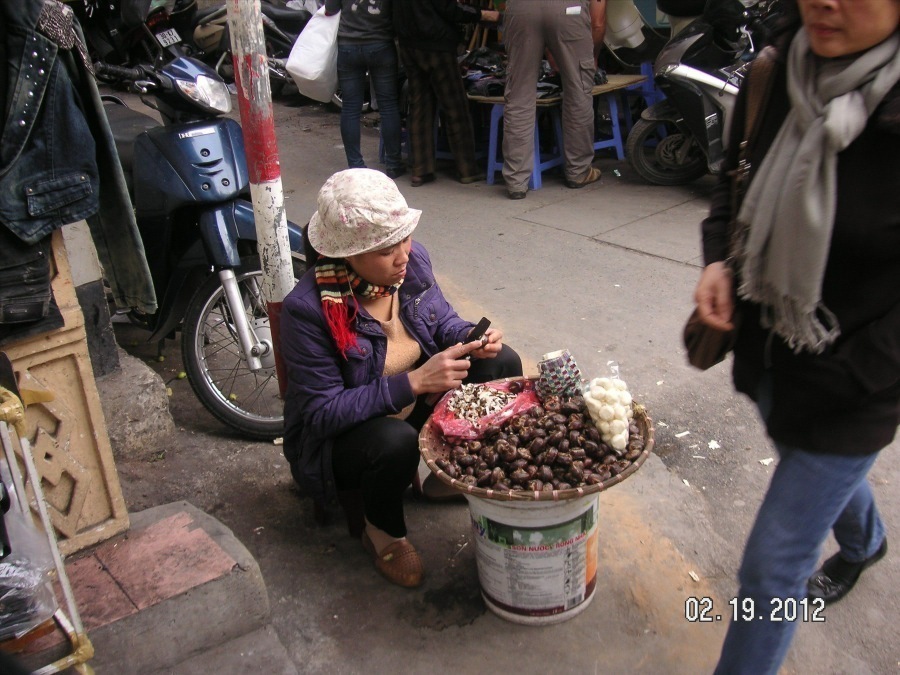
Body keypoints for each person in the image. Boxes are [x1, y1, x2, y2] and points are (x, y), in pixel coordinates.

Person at [692, 0, 900, 672]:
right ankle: (865, 541)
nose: (826, 3)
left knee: (772, 567)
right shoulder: (778, 72)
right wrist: (720, 260)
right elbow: (732, 183)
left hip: (860, 382)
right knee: (800, 450)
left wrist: (854, 374)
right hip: (768, 352)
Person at [280, 169, 523, 588]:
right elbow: (321, 413)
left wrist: (471, 338)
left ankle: (447, 476)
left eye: (404, 239)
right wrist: (412, 384)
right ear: (346, 255)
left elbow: (441, 320)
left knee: (502, 362)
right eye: (384, 250)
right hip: (348, 439)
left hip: (415, 402)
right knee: (394, 441)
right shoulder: (307, 311)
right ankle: (382, 531)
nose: (402, 256)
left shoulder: (410, 265)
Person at [501, 0, 604, 199]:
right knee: (578, 88)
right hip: (568, 9)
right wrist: (592, 57)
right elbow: (598, 23)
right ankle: (578, 171)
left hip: (521, 8)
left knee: (519, 94)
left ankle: (516, 181)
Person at [393, 0, 500, 187]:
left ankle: (420, 169)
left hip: (408, 43)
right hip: (436, 44)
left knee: (419, 106)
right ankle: (467, 169)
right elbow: (449, 8)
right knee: (455, 107)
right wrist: (482, 14)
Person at [324, 0, 405, 179]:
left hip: (348, 46)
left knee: (351, 108)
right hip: (381, 44)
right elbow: (399, 13)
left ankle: (355, 165)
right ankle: (393, 164)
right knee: (388, 106)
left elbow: (330, 9)